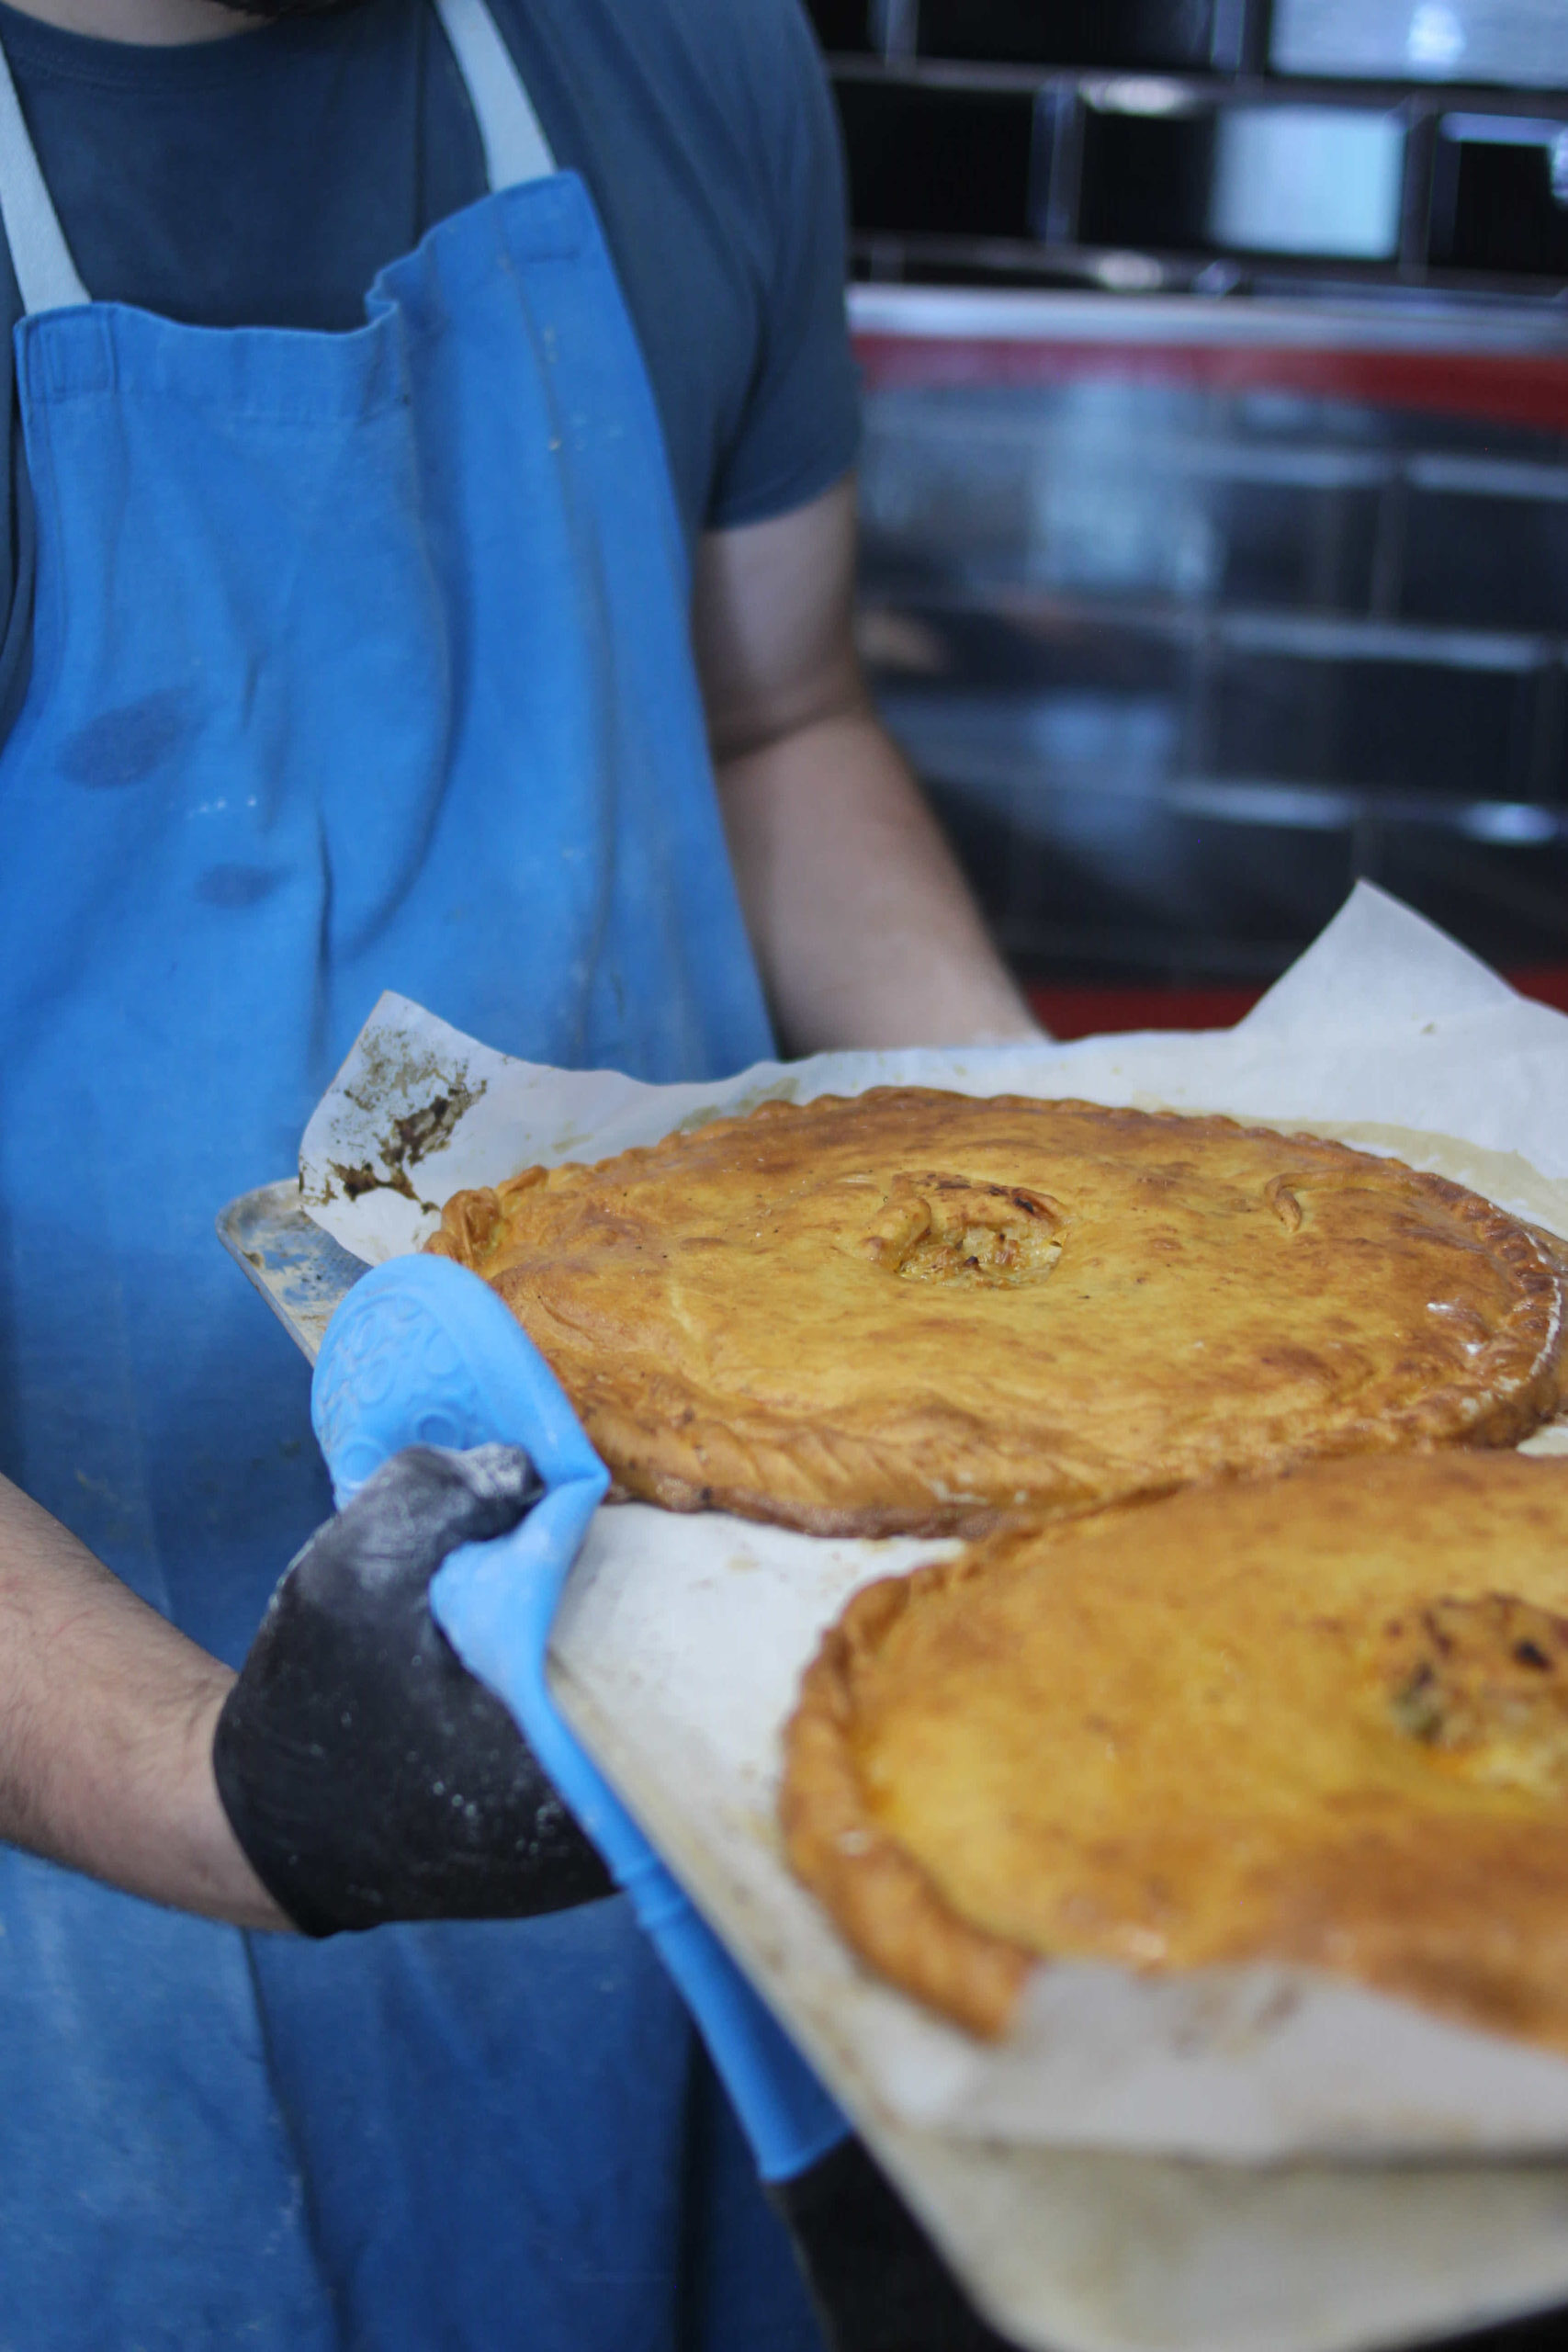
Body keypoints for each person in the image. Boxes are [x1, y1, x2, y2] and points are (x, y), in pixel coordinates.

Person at [0, 0, 1038, 2344]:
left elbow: (777, 717)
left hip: (715, 1695)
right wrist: (222, 1789)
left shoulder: (674, 52)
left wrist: (1062, 1226)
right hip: (107, 1844)